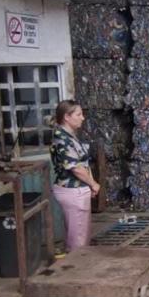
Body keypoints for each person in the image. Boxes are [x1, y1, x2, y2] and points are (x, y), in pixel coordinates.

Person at [50, 100, 100, 251]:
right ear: (67, 117)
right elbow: (75, 168)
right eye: (78, 114)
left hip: (77, 189)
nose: (82, 118)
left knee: (80, 234)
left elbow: (82, 162)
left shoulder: (70, 136)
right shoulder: (62, 139)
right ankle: (76, 269)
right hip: (72, 190)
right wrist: (93, 183)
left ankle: (78, 264)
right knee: (78, 239)